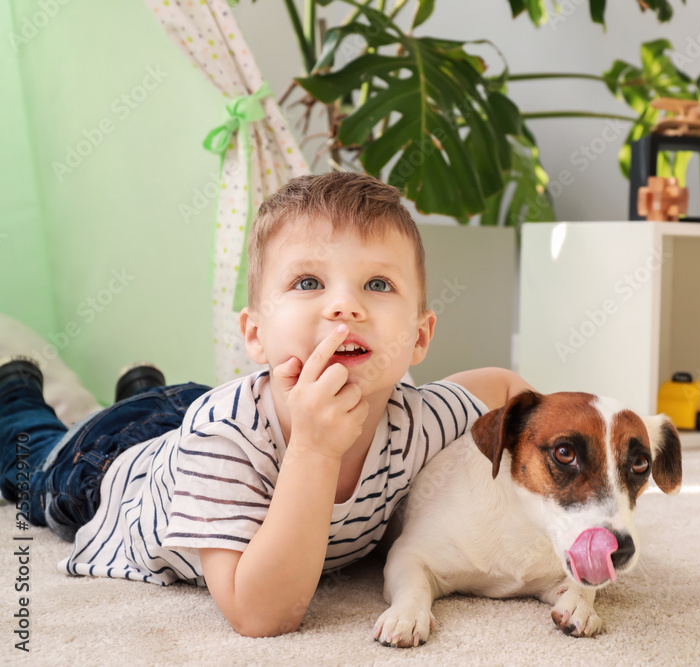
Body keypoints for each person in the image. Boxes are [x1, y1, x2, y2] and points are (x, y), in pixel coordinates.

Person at [0, 171, 532, 637]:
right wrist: (315, 450)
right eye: (308, 282)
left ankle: (142, 388)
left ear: (419, 337)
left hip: (183, 414)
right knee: (36, 466)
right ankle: (18, 393)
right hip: (109, 468)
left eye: (377, 282)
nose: (345, 304)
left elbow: (509, 390)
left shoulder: (421, 419)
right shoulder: (225, 436)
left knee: (162, 412)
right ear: (255, 334)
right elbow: (259, 615)